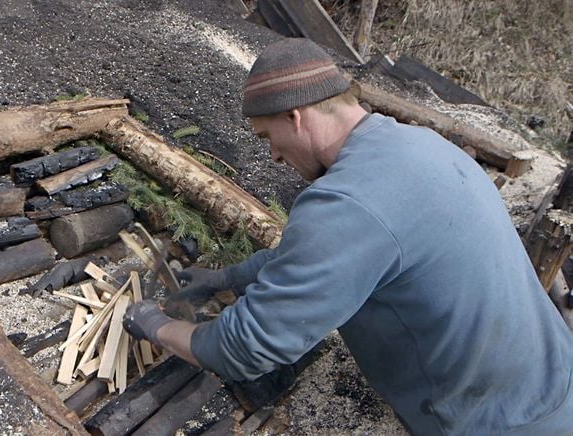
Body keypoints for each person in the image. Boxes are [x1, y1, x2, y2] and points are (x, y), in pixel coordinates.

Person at [123, 38, 573, 434]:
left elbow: (243, 349)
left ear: (295, 117)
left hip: (499, 421)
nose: (274, 156)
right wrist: (227, 279)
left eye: (268, 137)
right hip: (555, 377)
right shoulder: (421, 145)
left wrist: (157, 325)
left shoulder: (348, 202)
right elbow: (329, 256)